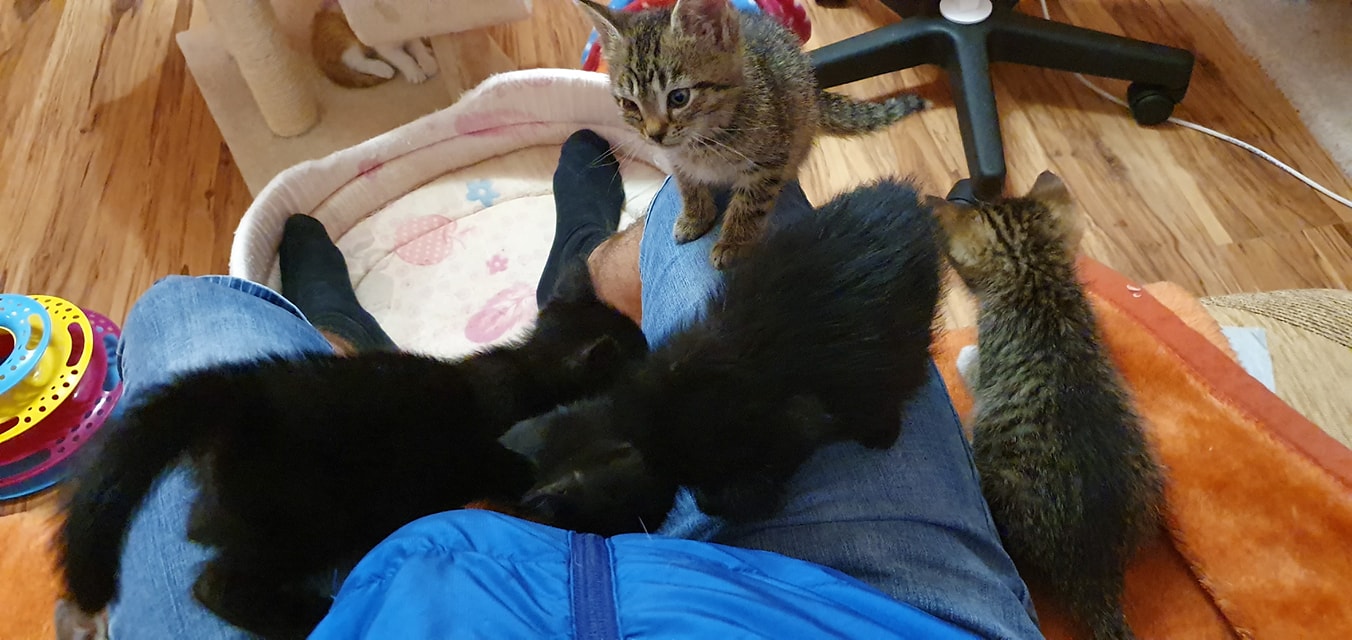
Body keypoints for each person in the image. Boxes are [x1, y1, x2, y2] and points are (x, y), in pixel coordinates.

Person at [100, 131, 1044, 639]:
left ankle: (353, 333)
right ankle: (579, 267)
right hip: (853, 613)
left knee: (185, 311)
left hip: (418, 594)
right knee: (712, 200)